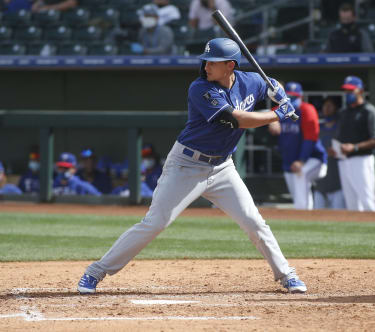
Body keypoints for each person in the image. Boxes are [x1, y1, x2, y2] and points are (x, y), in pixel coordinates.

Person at [77, 37, 306, 295]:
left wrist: (279, 91)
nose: (206, 65)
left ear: (230, 66)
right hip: (186, 165)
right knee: (155, 223)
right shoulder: (200, 88)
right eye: (205, 60)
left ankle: (286, 274)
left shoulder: (250, 80)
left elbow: (271, 84)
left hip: (223, 168)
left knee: (254, 221)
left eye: (212, 62)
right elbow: (237, 120)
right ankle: (95, 271)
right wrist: (279, 112)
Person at [268, 82, 327, 210]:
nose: (292, 100)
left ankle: (304, 213)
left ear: (301, 97)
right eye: (289, 97)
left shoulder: (307, 110)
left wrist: (302, 161)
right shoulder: (277, 112)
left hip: (314, 159)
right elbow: (265, 117)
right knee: (298, 193)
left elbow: (310, 139)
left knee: (302, 174)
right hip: (289, 162)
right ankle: (305, 216)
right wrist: (270, 122)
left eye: (295, 97)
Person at [331, 76, 375, 212]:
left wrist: (354, 147)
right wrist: (334, 149)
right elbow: (340, 137)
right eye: (346, 91)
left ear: (360, 91)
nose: (348, 94)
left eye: (351, 90)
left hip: (362, 160)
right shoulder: (344, 112)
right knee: (351, 203)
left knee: (367, 200)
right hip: (344, 160)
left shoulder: (369, 111)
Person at [313, 97, 346, 210]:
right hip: (320, 184)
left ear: (336, 108)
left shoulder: (341, 128)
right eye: (325, 105)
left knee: (339, 218)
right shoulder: (318, 128)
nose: (326, 108)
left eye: (330, 105)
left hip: (338, 183)